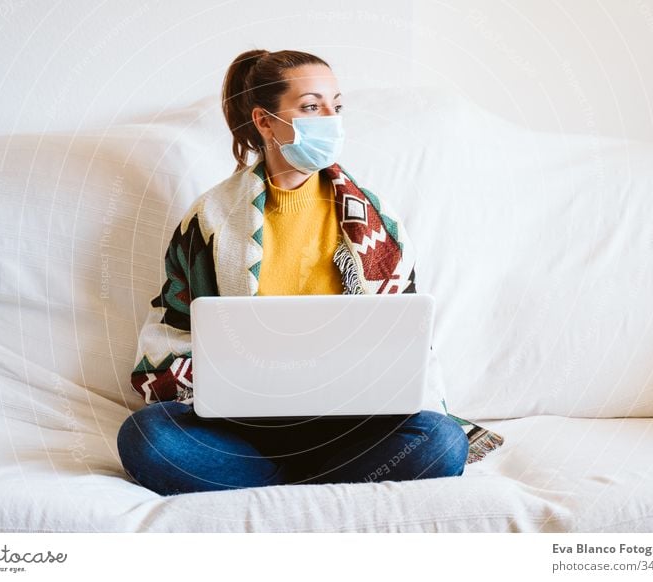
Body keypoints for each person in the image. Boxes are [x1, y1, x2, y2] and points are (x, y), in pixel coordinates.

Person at [116, 48, 473, 496]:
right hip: (240, 430)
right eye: (311, 106)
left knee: (440, 442)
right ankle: (320, 487)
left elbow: (407, 341)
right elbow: (171, 331)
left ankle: (269, 488)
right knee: (146, 436)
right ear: (265, 122)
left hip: (351, 428)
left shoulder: (376, 220)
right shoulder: (208, 221)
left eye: (336, 106)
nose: (331, 119)